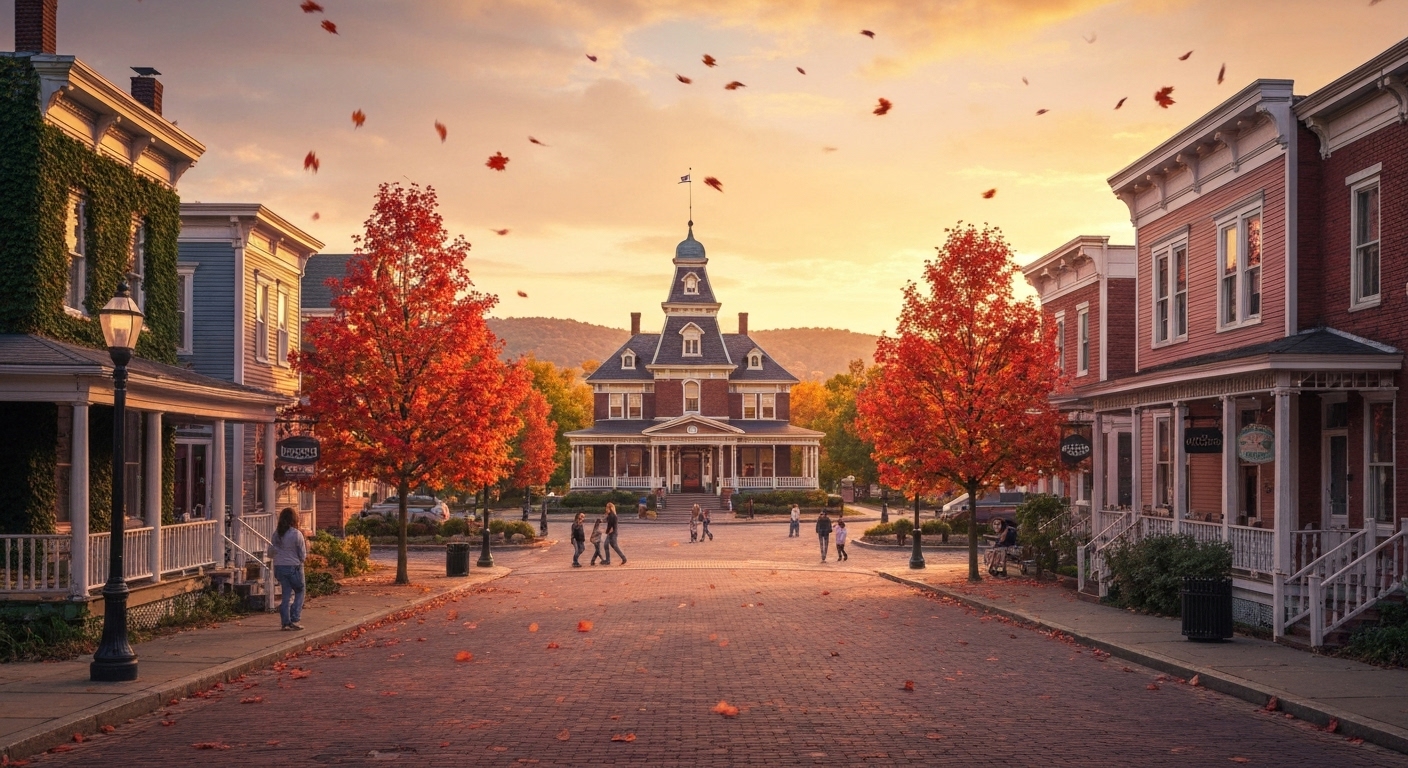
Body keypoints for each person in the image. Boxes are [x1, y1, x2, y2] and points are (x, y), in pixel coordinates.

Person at [269, 507, 307, 631]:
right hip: (293, 566)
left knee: (286, 594)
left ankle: (285, 622)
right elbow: (302, 553)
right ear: (293, 519)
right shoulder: (296, 534)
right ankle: (295, 618)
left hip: (279, 566)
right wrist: (301, 560)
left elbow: (271, 552)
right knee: (300, 591)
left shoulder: (276, 534)